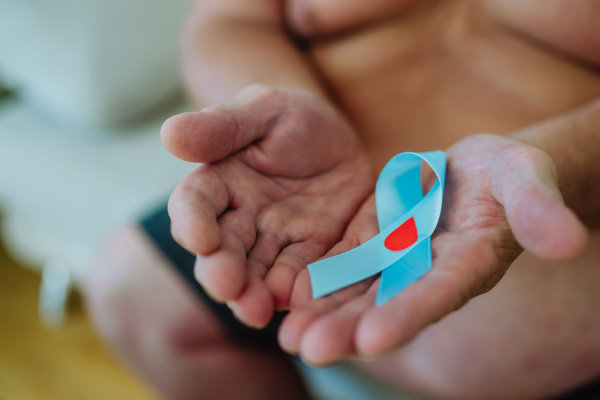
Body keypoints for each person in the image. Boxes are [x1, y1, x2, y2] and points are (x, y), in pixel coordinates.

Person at [85, 1, 600, 399]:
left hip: (550, 224)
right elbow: (231, 18)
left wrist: (554, 164)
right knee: (132, 285)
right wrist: (274, 109)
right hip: (297, 211)